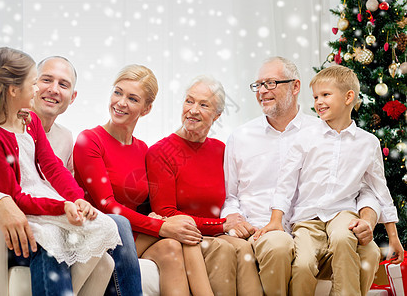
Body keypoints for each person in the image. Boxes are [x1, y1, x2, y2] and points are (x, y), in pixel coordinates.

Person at [0, 55, 143, 296]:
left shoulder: (59, 135)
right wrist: (1, 203)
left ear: (73, 97)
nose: (51, 89)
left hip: (52, 210)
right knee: (52, 242)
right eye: (43, 80)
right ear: (19, 89)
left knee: (114, 231)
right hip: (27, 221)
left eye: (63, 84)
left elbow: (57, 170)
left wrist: (76, 199)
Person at [220, 56, 383, 296]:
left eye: (271, 83)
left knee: (369, 252)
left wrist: (368, 219)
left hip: (320, 230)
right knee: (278, 245)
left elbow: (363, 187)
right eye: (258, 85)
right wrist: (232, 216)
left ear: (295, 87)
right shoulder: (241, 137)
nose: (262, 91)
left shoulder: (325, 130)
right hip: (265, 230)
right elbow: (229, 196)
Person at [257, 65, 404, 295]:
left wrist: (393, 236)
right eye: (316, 96)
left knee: (344, 238)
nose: (319, 102)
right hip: (307, 219)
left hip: (342, 213)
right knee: (304, 264)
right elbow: (285, 182)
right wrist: (277, 219)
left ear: (348, 97)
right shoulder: (304, 138)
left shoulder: (368, 143)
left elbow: (379, 189)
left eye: (325, 95)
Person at [73, 64, 204, 296]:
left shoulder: (143, 149)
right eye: (118, 92)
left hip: (134, 233)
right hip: (103, 233)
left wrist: (155, 217)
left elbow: (145, 203)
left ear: (146, 109)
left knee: (174, 247)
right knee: (178, 235)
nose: (121, 102)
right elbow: (107, 205)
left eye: (132, 98)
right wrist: (161, 226)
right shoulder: (90, 141)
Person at [146, 75, 263, 296]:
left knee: (246, 249)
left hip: (214, 231)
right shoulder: (160, 152)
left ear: (217, 115)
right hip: (184, 236)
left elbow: (234, 196)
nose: (193, 110)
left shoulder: (220, 150)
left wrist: (237, 222)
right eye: (189, 101)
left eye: (203, 105)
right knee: (223, 249)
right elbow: (166, 213)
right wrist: (221, 225)